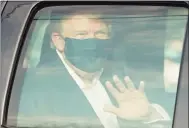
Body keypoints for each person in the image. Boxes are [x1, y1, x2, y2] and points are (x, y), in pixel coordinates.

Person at [18, 12, 171, 128]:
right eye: (82, 35)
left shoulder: (121, 74)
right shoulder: (32, 90)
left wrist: (148, 114)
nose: (93, 42)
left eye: (100, 34)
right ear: (59, 41)